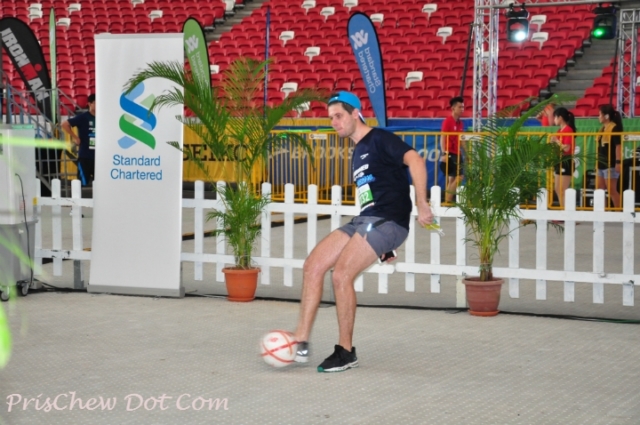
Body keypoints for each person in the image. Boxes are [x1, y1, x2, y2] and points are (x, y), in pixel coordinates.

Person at [292, 92, 434, 373]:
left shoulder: (380, 139)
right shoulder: (358, 151)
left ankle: (346, 352)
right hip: (367, 220)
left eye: (338, 116)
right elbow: (376, 193)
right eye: (331, 118)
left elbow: (415, 160)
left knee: (341, 275)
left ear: (355, 113)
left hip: (385, 220)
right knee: (312, 266)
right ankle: (300, 342)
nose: (334, 122)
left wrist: (421, 202)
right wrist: (383, 245)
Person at [62, 93, 96, 186]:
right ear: (89, 104)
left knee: (100, 184)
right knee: (82, 183)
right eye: (95, 103)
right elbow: (64, 124)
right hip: (85, 156)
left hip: (99, 157)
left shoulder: (102, 118)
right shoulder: (84, 117)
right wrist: (75, 137)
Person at [595, 104, 623, 209]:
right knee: (599, 189)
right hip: (601, 164)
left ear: (606, 116)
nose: (598, 117)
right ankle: (603, 212)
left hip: (610, 163)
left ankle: (619, 213)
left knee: (611, 190)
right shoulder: (602, 129)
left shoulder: (614, 128)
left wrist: (618, 162)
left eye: (600, 114)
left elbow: (618, 146)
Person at [550, 107, 576, 211]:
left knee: (563, 189)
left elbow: (566, 148)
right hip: (559, 160)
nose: (554, 120)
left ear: (560, 118)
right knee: (557, 188)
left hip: (566, 160)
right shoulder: (559, 131)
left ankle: (567, 212)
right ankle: (563, 210)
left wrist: (556, 141)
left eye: (555, 117)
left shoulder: (568, 130)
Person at [439, 96, 465, 203]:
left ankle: (447, 201)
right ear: (453, 108)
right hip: (450, 153)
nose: (462, 109)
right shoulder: (447, 121)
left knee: (452, 179)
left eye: (463, 107)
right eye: (460, 107)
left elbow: (462, 140)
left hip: (457, 153)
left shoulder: (460, 123)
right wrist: (444, 153)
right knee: (460, 177)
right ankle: (448, 200)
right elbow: (442, 138)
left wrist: (467, 154)